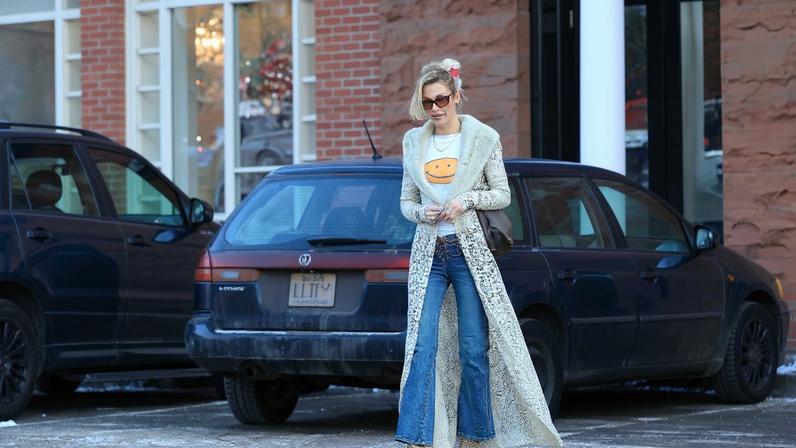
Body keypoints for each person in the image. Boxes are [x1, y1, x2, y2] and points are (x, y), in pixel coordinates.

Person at [394, 58, 563, 448]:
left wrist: (466, 200)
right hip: (430, 254)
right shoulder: (413, 142)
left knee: (473, 348)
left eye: (441, 100)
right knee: (421, 344)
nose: (435, 109)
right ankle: (418, 436)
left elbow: (502, 194)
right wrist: (423, 212)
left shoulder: (483, 138)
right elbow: (405, 200)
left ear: (456, 96)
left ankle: (475, 435)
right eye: (427, 103)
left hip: (469, 254)